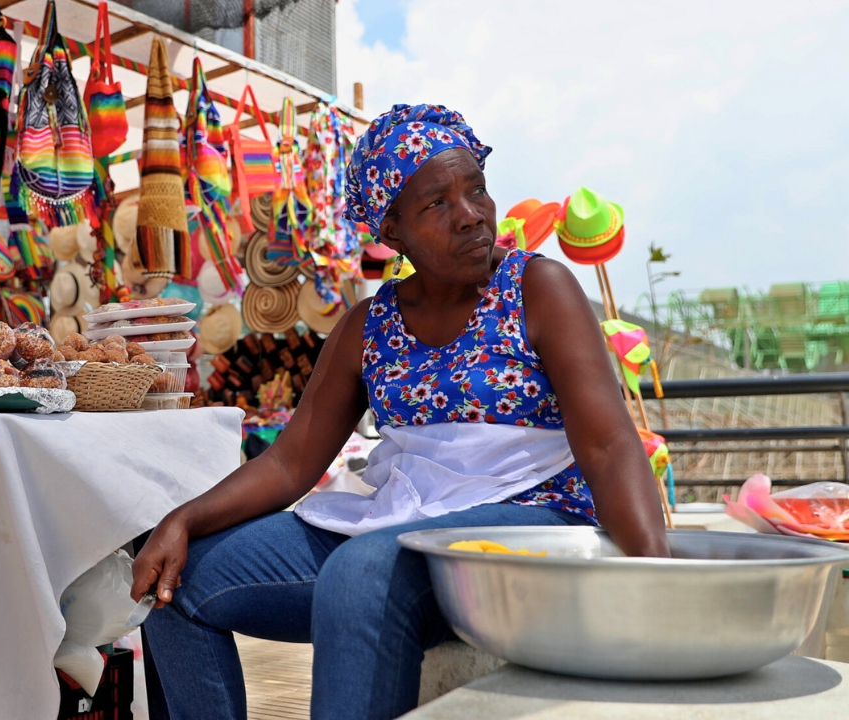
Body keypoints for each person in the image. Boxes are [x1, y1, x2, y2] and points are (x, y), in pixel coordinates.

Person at [131, 104, 670, 720]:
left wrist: (658, 578)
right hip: (405, 530)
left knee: (362, 572)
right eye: (437, 203)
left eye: (476, 190)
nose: (470, 215)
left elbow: (609, 445)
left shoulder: (538, 289)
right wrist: (182, 520)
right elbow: (288, 463)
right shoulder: (368, 325)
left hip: (527, 529)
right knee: (170, 579)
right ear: (393, 231)